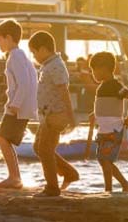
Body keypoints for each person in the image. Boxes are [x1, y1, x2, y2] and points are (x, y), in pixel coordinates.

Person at [30, 31, 79, 197]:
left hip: (56, 114)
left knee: (45, 149)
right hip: (46, 115)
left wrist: (70, 117)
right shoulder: (48, 65)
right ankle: (69, 173)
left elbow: (64, 91)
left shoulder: (56, 65)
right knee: (38, 147)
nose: (34, 56)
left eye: (34, 52)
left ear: (43, 49)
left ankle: (52, 187)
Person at [0, 19, 38, 189]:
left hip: (17, 108)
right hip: (19, 106)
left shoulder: (16, 56)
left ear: (9, 37)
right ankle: (15, 176)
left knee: (2, 138)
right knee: (4, 139)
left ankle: (14, 177)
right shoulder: (19, 55)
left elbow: (24, 82)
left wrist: (16, 104)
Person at [88, 51, 128, 193]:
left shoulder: (115, 86)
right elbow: (105, 105)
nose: (93, 74)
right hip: (104, 129)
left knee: (106, 159)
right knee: (103, 159)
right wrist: (95, 114)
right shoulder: (102, 87)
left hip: (113, 129)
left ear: (104, 69)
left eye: (94, 70)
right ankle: (124, 184)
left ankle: (108, 189)